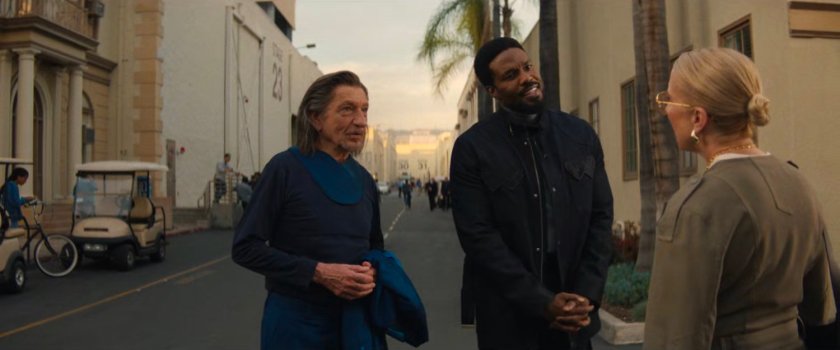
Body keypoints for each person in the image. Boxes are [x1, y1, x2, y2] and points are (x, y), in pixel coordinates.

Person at [644, 47, 836, 349]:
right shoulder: (798, 182)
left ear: (698, 118)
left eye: (669, 99)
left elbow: (674, 338)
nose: (665, 110)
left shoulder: (696, 207)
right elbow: (821, 307)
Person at [232, 71, 424, 350]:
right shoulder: (285, 169)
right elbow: (245, 248)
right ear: (315, 118)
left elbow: (374, 247)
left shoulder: (364, 179)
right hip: (296, 326)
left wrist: (370, 271)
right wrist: (319, 272)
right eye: (347, 109)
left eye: (364, 110)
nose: (360, 121)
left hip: (356, 325)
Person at [450, 37, 614, 349]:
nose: (527, 77)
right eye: (511, 75)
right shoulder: (473, 149)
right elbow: (478, 237)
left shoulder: (579, 135)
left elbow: (601, 216)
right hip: (508, 318)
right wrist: (541, 301)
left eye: (527, 67)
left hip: (573, 314)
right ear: (492, 91)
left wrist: (584, 295)